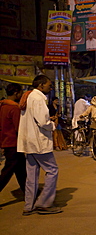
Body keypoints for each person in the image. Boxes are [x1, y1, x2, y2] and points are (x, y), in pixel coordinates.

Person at [17, 75, 62, 215]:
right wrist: (52, 125)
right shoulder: (38, 98)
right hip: (38, 142)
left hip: (30, 142)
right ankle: (44, 203)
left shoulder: (29, 97)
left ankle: (29, 206)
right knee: (52, 170)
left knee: (32, 174)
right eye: (49, 85)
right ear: (41, 85)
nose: (50, 87)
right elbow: (43, 122)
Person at [0, 83, 26, 196]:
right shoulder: (14, 108)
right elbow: (18, 127)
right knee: (8, 171)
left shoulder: (3, 106)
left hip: (6, 141)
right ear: (16, 93)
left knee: (20, 169)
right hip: (13, 143)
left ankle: (29, 192)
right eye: (21, 92)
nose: (21, 95)